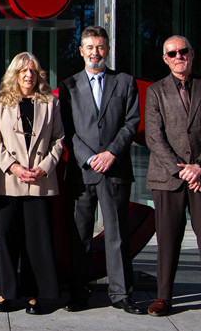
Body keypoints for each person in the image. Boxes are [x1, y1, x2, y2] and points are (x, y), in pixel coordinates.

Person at [58, 26, 145, 315]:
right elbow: (67, 130)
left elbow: (131, 123)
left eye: (100, 47)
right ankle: (78, 292)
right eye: (89, 47)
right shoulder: (68, 86)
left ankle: (121, 294)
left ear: (107, 50)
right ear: (81, 51)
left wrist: (110, 153)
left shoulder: (124, 82)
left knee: (117, 234)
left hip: (115, 168)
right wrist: (89, 157)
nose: (95, 52)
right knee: (79, 236)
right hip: (82, 173)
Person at [145, 36, 201, 321]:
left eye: (183, 51)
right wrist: (181, 169)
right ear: (165, 58)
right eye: (172, 53)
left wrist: (200, 166)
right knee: (168, 239)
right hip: (169, 178)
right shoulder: (156, 91)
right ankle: (163, 297)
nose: (178, 56)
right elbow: (154, 136)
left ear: (192, 55)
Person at [0, 52, 64, 315]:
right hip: (8, 179)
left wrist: (44, 168)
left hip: (39, 179)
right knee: (6, 238)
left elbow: (58, 139)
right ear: (14, 74)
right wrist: (14, 166)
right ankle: (5, 293)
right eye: (23, 71)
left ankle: (34, 294)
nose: (28, 75)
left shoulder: (50, 102)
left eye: (33, 70)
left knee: (36, 239)